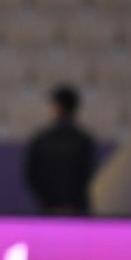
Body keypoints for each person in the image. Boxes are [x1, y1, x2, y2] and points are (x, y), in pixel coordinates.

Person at [25, 84, 97, 215]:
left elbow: (32, 176)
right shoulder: (84, 140)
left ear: (59, 107)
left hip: (49, 208)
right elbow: (87, 174)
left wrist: (50, 200)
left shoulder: (41, 139)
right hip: (75, 208)